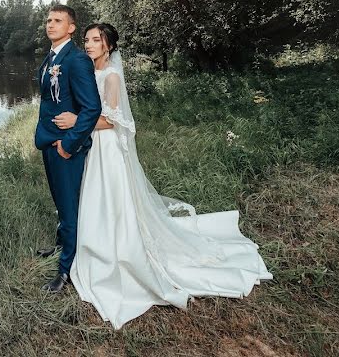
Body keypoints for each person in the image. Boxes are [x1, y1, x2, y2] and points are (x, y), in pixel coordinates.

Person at [53, 23, 272, 328]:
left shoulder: (111, 76)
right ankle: (94, 246)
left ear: (109, 47)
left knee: (112, 198)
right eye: (86, 40)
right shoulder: (88, 73)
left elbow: (113, 121)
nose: (88, 45)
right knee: (94, 197)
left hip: (107, 148)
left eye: (95, 41)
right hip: (91, 145)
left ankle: (120, 251)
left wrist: (78, 120)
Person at [34, 5, 102, 293]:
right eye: (49, 20)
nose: (51, 24)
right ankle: (62, 244)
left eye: (58, 20)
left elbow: (92, 108)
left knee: (70, 208)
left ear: (71, 27)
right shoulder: (50, 59)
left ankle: (66, 271)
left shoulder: (76, 60)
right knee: (61, 202)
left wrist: (68, 144)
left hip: (66, 147)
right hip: (49, 142)